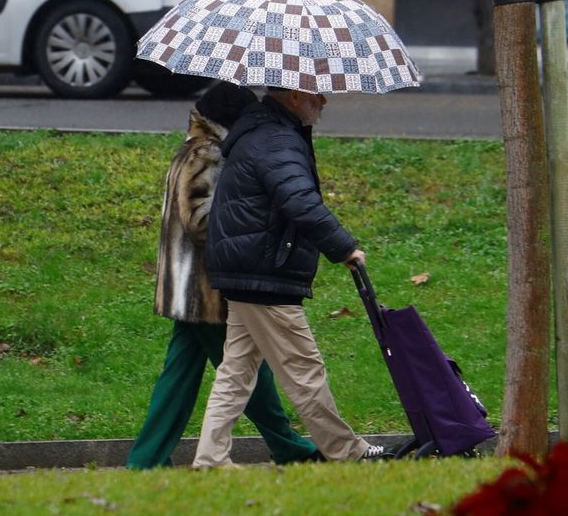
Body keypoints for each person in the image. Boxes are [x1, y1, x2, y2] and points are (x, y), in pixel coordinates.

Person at [125, 82, 319, 469]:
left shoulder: (197, 149)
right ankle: (288, 445)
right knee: (246, 372)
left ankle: (146, 460)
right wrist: (249, 219)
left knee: (180, 379)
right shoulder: (207, 154)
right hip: (206, 288)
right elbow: (199, 220)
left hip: (188, 288)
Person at [193, 85, 386, 467]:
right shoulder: (276, 138)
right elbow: (299, 200)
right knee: (303, 368)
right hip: (264, 271)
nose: (323, 101)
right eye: (317, 94)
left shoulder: (261, 131)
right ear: (294, 96)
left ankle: (210, 459)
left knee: (236, 370)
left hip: (245, 268)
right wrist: (344, 247)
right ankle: (347, 452)